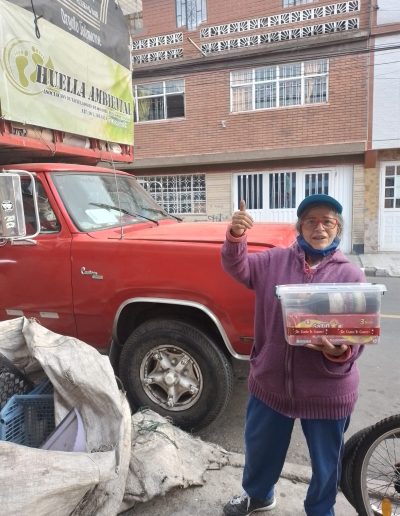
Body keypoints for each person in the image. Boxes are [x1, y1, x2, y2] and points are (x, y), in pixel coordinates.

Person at [221, 194, 366, 516]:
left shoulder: (351, 276)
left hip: (327, 389)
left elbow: (358, 334)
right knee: (260, 450)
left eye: (327, 221)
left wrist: (341, 350)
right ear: (300, 227)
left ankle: (320, 511)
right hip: (270, 382)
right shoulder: (273, 261)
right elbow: (237, 266)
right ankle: (259, 496)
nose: (319, 227)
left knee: (326, 464)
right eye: (311, 221)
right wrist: (236, 235)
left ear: (338, 228)